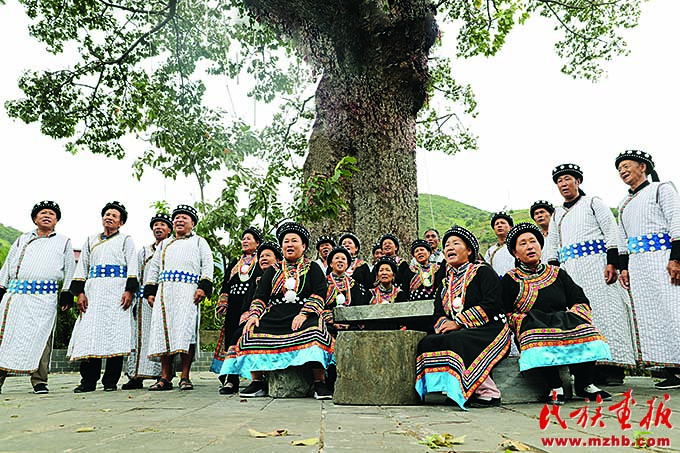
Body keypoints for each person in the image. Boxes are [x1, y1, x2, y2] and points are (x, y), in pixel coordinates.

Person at [543, 164, 636, 386]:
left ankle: (614, 368)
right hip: (571, 271)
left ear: (578, 181)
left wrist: (612, 262)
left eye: (567, 179)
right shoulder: (557, 214)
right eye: (559, 181)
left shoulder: (593, 203)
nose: (563, 184)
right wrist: (554, 272)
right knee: (581, 318)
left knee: (607, 313)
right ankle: (589, 370)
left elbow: (610, 230)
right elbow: (553, 245)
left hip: (598, 267)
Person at [220, 222, 334, 400]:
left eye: (294, 241)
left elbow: (320, 291)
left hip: (303, 313)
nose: (289, 244)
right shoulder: (273, 270)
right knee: (251, 332)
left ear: (303, 246)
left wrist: (304, 314)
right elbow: (261, 295)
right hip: (275, 314)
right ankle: (258, 382)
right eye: (286, 241)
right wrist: (255, 315)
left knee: (316, 331)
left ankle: (319, 382)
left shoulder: (313, 268)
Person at [502, 223, 612, 405]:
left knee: (588, 331)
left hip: (562, 321)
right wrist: (520, 320)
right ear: (515, 253)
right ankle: (555, 386)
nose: (530, 246)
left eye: (533, 241)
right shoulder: (510, 279)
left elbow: (579, 299)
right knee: (536, 335)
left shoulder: (557, 273)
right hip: (533, 324)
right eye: (523, 244)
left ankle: (585, 383)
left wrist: (576, 315)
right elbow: (505, 310)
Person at [415, 226, 511, 409]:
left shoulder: (482, 271)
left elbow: (492, 303)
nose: (449, 247)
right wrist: (445, 324)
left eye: (455, 243)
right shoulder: (445, 281)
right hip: (460, 329)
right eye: (447, 245)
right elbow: (438, 311)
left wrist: (458, 322)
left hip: (490, 327)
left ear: (469, 250)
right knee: (427, 342)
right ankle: (454, 389)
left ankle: (489, 393)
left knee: (458, 340)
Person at [615, 150, 680, 389]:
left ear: (643, 167)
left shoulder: (661, 189)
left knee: (673, 308)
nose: (622, 171)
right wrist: (624, 268)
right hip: (639, 265)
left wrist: (676, 258)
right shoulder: (623, 204)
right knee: (651, 315)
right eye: (619, 168)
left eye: (626, 165)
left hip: (662, 258)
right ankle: (669, 367)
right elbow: (622, 239)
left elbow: (677, 220)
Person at [0, 201, 75, 395]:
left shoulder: (64, 241)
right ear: (35, 218)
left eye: (52, 213)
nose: (47, 216)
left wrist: (67, 292)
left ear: (56, 220)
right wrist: (1, 287)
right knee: (7, 336)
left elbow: (70, 269)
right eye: (43, 213)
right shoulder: (22, 239)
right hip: (17, 295)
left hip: (45, 297)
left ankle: (40, 381)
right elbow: (9, 264)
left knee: (43, 338)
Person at [68, 201, 139, 393]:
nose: (109, 217)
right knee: (90, 334)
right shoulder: (91, 240)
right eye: (107, 214)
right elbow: (82, 266)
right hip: (93, 291)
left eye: (114, 216)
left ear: (121, 222)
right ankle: (88, 381)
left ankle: (110, 381)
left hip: (117, 292)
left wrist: (129, 291)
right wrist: (80, 292)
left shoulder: (126, 240)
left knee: (114, 333)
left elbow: (133, 265)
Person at [144, 205, 214, 391]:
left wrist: (203, 287)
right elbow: (155, 267)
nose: (180, 221)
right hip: (165, 293)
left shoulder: (199, 242)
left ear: (192, 223)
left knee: (186, 331)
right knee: (163, 331)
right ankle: (165, 377)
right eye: (177, 218)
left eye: (184, 218)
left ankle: (185, 376)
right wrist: (150, 291)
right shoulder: (164, 244)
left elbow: (207, 265)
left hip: (188, 292)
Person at [122, 213, 172, 390]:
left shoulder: (171, 248)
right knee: (139, 337)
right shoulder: (143, 251)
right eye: (156, 225)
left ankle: (163, 375)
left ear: (169, 229)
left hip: (163, 298)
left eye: (163, 225)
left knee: (159, 336)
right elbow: (134, 273)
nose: (158, 228)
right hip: (143, 301)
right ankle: (136, 376)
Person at [211, 226, 264, 394]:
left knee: (247, 335)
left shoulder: (262, 260)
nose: (245, 241)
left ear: (257, 243)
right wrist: (223, 301)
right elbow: (226, 283)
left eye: (249, 238)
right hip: (234, 304)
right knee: (231, 338)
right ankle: (231, 379)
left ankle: (255, 377)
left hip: (250, 303)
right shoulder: (235, 262)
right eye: (243, 238)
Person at [322, 246, 368, 333]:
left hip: (349, 323)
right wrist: (333, 322)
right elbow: (320, 305)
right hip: (328, 322)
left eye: (343, 259)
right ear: (331, 264)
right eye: (337, 258)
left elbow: (358, 307)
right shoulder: (323, 283)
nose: (340, 260)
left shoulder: (353, 284)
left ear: (347, 265)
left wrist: (347, 322)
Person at [484, 212, 515, 276]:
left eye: (503, 223)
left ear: (510, 227)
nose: (499, 225)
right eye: (496, 224)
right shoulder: (490, 251)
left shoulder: (516, 246)